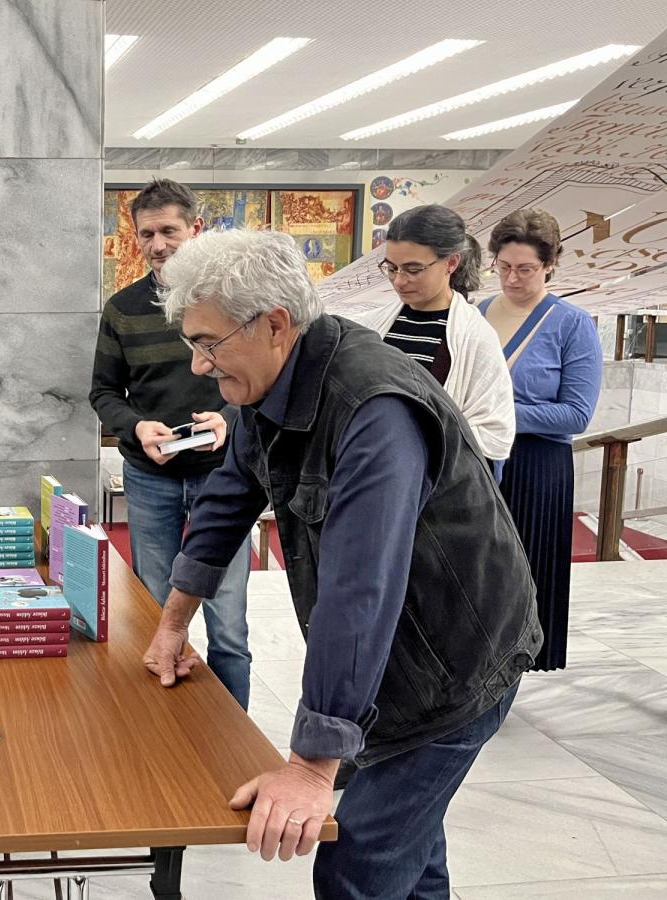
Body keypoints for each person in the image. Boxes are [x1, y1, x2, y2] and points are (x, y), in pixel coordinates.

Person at [141, 229, 541, 898]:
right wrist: (173, 623)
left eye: (209, 343)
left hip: (454, 666)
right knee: (411, 848)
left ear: (274, 325)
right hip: (395, 660)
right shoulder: (268, 383)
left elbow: (360, 590)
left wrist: (310, 765)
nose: (199, 366)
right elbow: (227, 500)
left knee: (357, 863)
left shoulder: (374, 408)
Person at [89, 178, 254, 709]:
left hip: (224, 478)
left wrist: (228, 419)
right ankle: (164, 732)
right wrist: (137, 428)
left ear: (195, 229)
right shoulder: (122, 309)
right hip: (149, 478)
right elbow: (104, 392)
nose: (157, 244)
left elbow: (262, 380)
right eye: (146, 234)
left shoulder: (232, 302)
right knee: (157, 616)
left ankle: (233, 739)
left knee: (228, 626)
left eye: (168, 231)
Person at [480, 208, 603, 671]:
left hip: (537, 467)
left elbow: (576, 413)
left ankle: (514, 668)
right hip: (479, 459)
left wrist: (499, 413)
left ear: (550, 266)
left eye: (526, 269)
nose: (513, 278)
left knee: (526, 575)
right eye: (504, 267)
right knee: (477, 575)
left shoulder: (572, 324)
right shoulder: (475, 314)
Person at [355, 205, 514, 479]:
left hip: (433, 484)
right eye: (391, 268)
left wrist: (413, 441)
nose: (399, 280)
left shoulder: (474, 337)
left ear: (451, 263)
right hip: (370, 473)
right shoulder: (373, 325)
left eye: (413, 269)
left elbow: (493, 433)